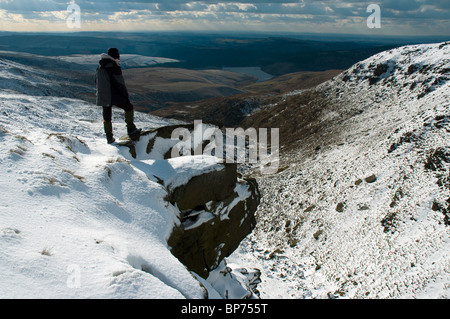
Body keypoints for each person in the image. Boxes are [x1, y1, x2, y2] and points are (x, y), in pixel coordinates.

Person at [95, 48, 141, 144]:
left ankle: (109, 137)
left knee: (107, 116)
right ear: (115, 57)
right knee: (128, 107)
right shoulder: (113, 66)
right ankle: (131, 129)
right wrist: (125, 95)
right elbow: (120, 83)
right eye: (117, 57)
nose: (118, 59)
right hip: (113, 95)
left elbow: (96, 80)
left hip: (102, 95)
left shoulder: (100, 65)